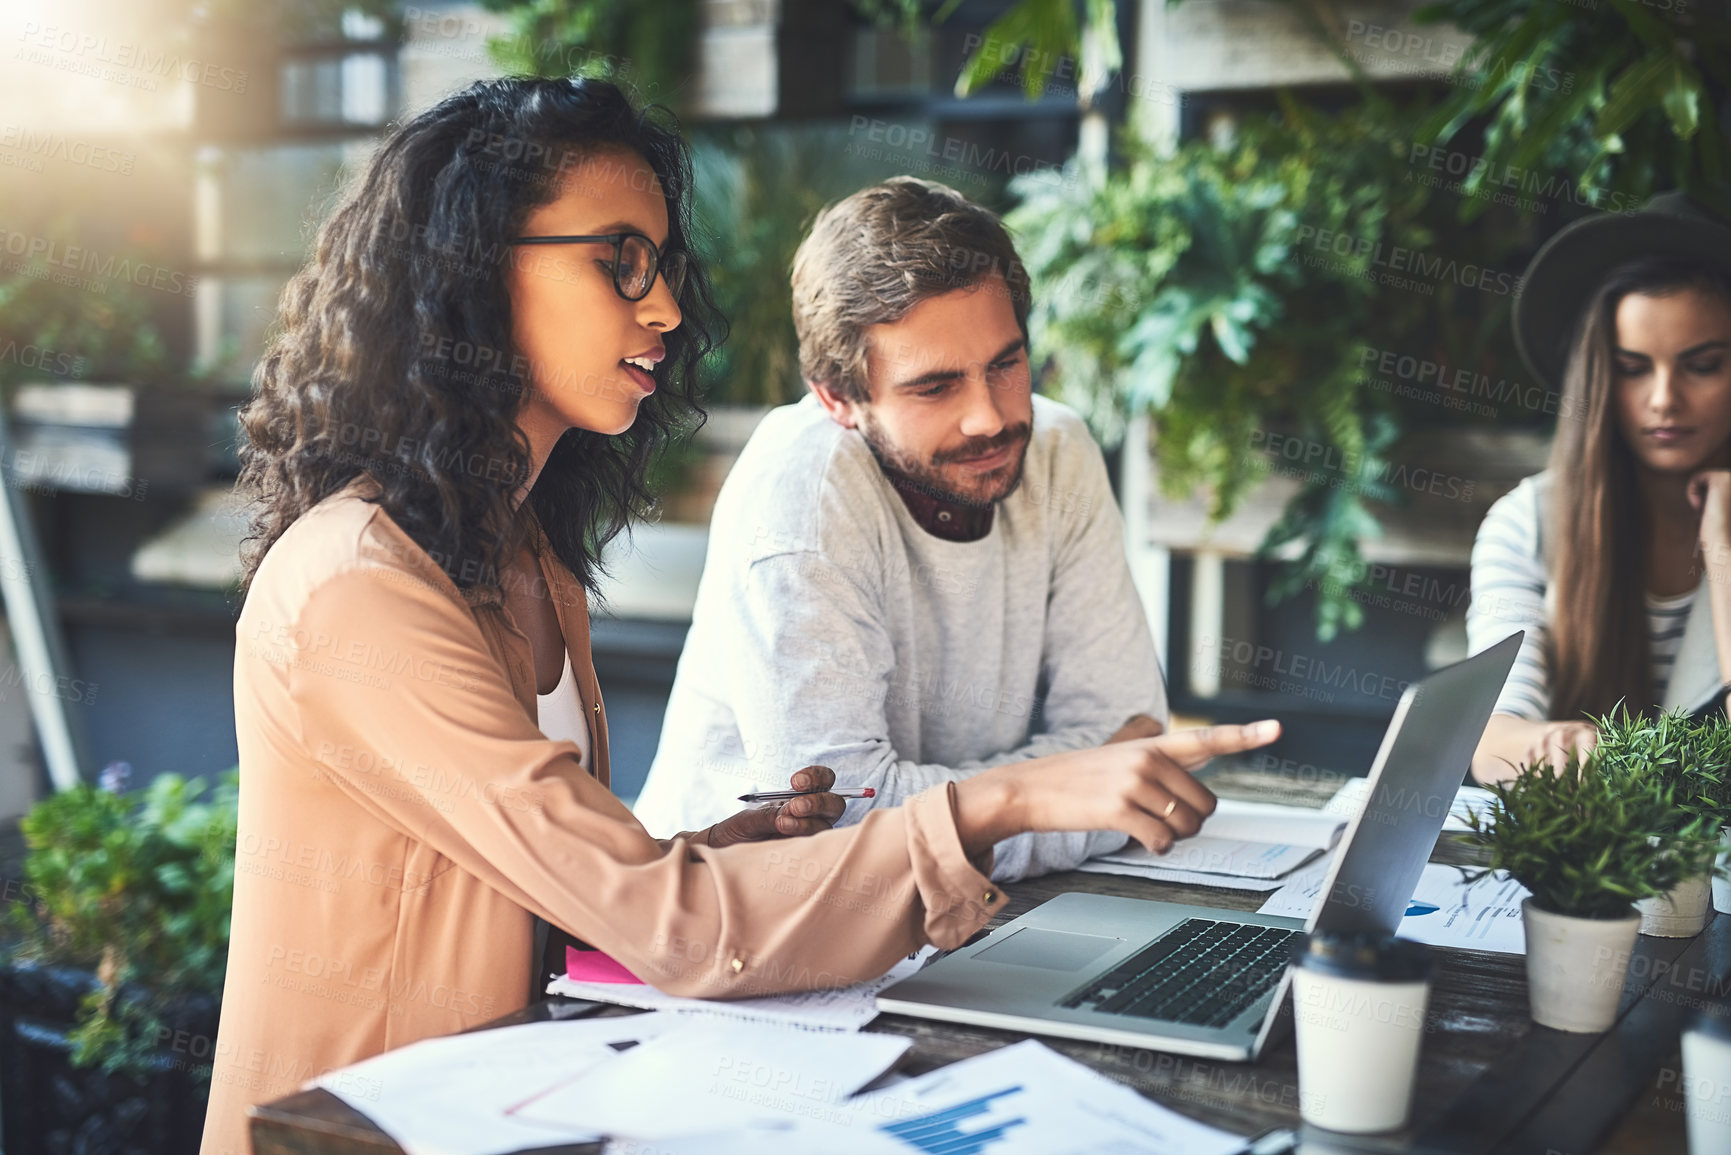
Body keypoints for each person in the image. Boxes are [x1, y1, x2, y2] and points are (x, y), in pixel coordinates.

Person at [200, 77, 1280, 1155]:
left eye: (662, 264)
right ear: (470, 276)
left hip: (532, 1098)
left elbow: (530, 898)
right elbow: (664, 923)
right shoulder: (360, 588)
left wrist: (705, 849)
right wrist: (1003, 800)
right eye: (617, 261)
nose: (664, 305)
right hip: (363, 1129)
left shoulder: (526, 557)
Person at [632, 177, 1170, 881]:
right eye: (934, 386)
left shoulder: (1058, 450)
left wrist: (986, 808)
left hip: (972, 909)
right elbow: (847, 833)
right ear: (836, 398)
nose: (990, 416)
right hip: (730, 929)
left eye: (1005, 363)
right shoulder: (800, 491)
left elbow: (1131, 739)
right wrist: (1058, 793)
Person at [1466, 191, 1731, 783]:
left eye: (1703, 365)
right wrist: (1561, 745)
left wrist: (1724, 546)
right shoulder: (1530, 522)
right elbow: (1490, 739)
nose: (1664, 399)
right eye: (1633, 369)